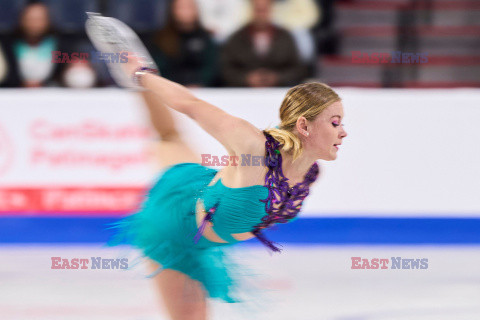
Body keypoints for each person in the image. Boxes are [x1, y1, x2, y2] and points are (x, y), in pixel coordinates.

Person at [86, 13, 347, 320]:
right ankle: (137, 72)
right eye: (334, 123)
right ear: (304, 126)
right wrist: (143, 76)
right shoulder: (254, 146)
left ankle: (135, 79)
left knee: (169, 137)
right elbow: (191, 106)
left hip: (200, 192)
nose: (343, 132)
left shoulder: (311, 173)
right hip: (173, 229)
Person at [220, 0, 307, 87]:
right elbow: (226, 69)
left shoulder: (285, 37)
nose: (261, 14)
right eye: (258, 10)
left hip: (278, 91)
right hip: (244, 92)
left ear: (271, 10)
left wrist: (277, 78)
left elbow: (297, 69)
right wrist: (246, 78)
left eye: (264, 10)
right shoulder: (237, 38)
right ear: (251, 10)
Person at [149, 0, 219, 88]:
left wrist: (199, 83)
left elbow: (211, 67)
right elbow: (158, 67)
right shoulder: (161, 39)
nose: (185, 11)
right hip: (170, 89)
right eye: (181, 7)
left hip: (202, 90)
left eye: (189, 7)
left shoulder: (205, 38)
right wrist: (174, 85)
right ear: (172, 10)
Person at [1, 2, 65, 87]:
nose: (34, 24)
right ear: (21, 20)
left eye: (39, 19)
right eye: (30, 19)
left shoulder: (62, 45)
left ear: (48, 20)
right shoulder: (6, 45)